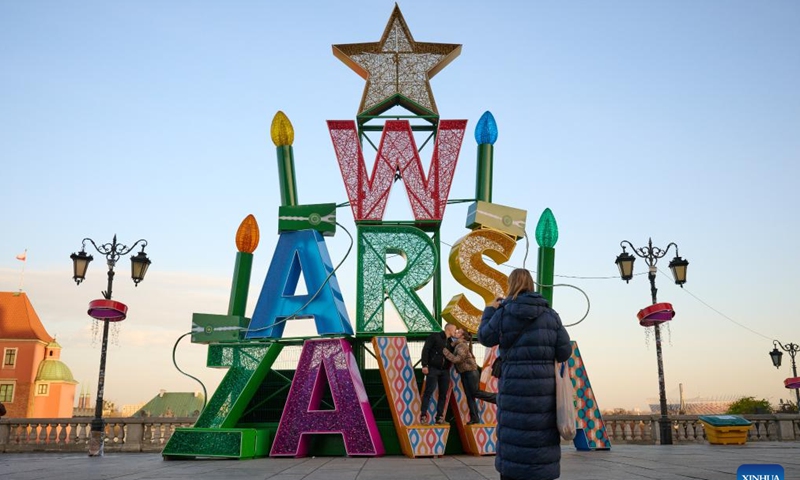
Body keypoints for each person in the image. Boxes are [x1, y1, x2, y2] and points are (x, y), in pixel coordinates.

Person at [478, 268, 572, 480]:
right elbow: (564, 351)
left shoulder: (503, 312)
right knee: (541, 435)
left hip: (514, 387)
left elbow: (484, 337)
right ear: (531, 284)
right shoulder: (550, 315)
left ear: (511, 285)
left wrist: (490, 310)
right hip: (544, 391)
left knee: (515, 433)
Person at [442, 328, 496, 425]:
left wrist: (446, 352)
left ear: (462, 337)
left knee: (475, 392)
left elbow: (457, 359)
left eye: (459, 332)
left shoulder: (462, 346)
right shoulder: (458, 345)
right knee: (469, 396)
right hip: (465, 373)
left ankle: (496, 398)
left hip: (471, 373)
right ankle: (474, 418)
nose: (456, 332)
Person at [419, 323, 457, 424]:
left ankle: (439, 417)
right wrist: (425, 365)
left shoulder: (450, 342)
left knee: (443, 394)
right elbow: (426, 350)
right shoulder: (434, 337)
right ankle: (423, 415)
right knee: (428, 391)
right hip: (433, 369)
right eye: (455, 330)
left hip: (445, 370)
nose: (455, 332)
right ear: (449, 328)